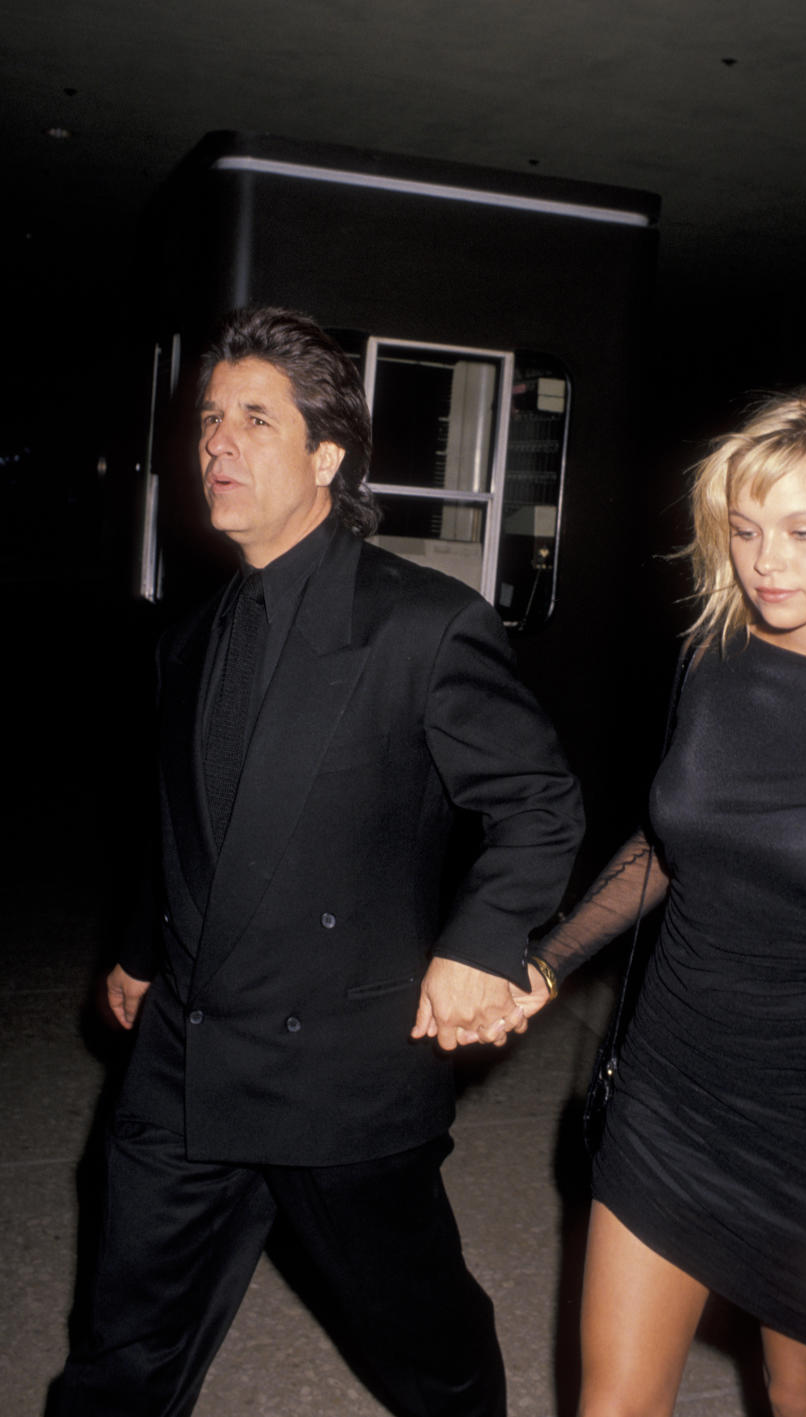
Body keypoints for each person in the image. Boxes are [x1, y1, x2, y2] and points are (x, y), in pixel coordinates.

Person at [55, 306, 583, 1416]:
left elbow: (538, 802)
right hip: (184, 1057)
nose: (217, 443)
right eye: (208, 418)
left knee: (424, 1346)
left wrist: (483, 943)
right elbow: (184, 819)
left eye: (255, 417)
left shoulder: (422, 626)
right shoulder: (188, 637)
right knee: (122, 1344)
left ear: (327, 456)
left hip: (338, 1069)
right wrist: (143, 949)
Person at [512, 387, 806, 1417]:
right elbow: (670, 847)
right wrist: (546, 961)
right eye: (747, 530)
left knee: (803, 1399)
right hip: (668, 1092)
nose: (767, 561)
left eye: (804, 531)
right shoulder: (713, 661)